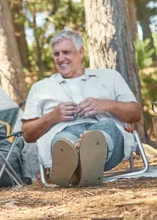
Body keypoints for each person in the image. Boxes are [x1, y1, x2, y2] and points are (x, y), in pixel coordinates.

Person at [21, 30, 142, 187]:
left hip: (108, 138)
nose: (60, 58)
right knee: (64, 140)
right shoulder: (40, 87)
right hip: (64, 133)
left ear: (81, 52)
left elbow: (136, 113)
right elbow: (27, 134)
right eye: (56, 54)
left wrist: (106, 104)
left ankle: (76, 169)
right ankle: (78, 165)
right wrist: (52, 116)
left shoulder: (109, 77)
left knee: (104, 129)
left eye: (66, 52)